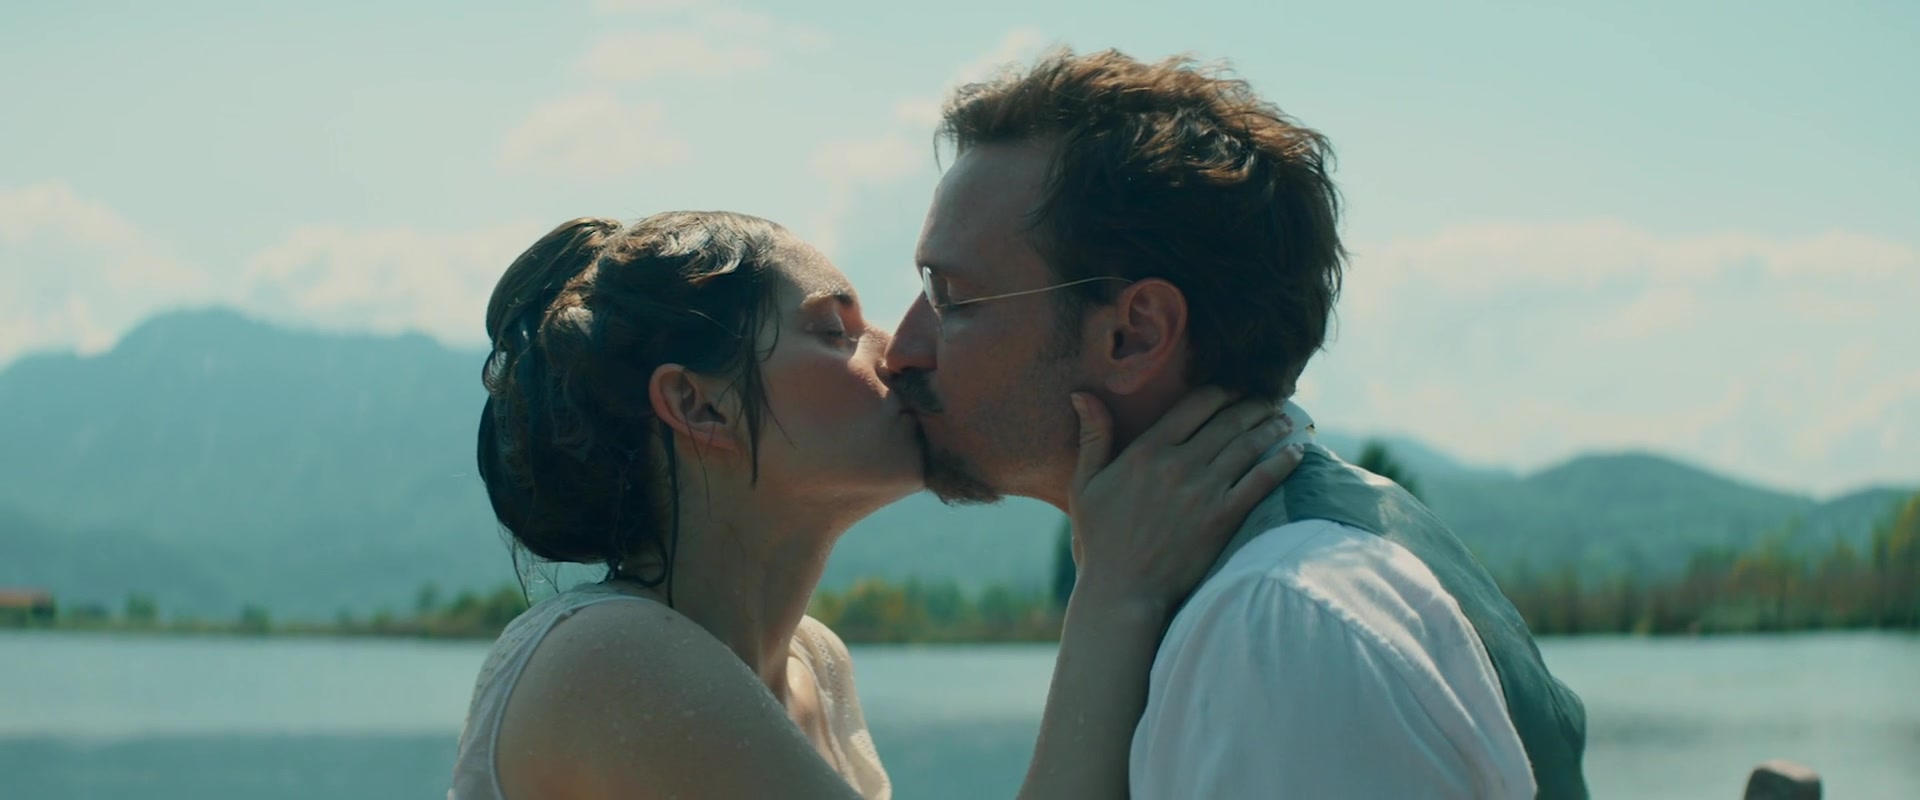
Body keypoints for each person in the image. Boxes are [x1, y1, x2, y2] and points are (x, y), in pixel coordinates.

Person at [883, 48, 1590, 798]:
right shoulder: (1304, 567)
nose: (900, 349)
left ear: (1135, 334)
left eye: (952, 297)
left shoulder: (1280, 624)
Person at [448, 210, 1306, 799]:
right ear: (698, 405)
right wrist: (1115, 590)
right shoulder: (608, 655)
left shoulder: (814, 662)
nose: (896, 353)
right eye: (835, 331)